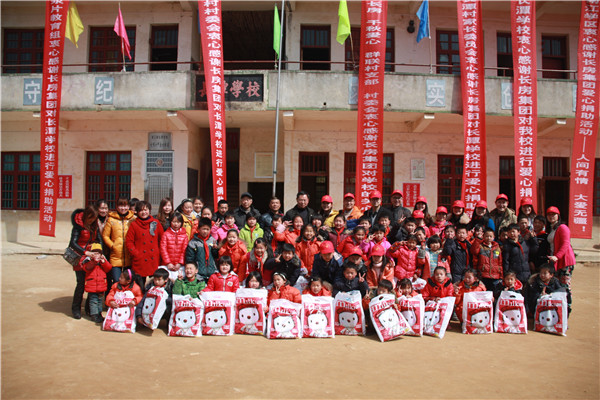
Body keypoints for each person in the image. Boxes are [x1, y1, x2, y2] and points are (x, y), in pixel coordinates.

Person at [69, 205, 101, 319]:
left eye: (94, 218)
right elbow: (72, 243)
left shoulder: (94, 225)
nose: (91, 220)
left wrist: (99, 251)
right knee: (81, 283)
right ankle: (76, 308)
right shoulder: (78, 226)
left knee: (91, 283)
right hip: (80, 258)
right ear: (86, 215)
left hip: (91, 258)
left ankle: (89, 308)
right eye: (90, 217)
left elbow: (98, 239)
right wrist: (85, 252)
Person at [125, 201, 164, 290]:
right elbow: (129, 242)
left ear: (149, 210)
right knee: (140, 287)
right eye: (141, 210)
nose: (144, 212)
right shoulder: (134, 225)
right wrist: (136, 254)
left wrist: (159, 253)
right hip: (140, 260)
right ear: (137, 212)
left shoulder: (155, 223)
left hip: (153, 258)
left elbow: (162, 239)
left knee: (155, 286)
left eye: (145, 210)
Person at [545, 206, 576, 313]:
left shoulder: (563, 227)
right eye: (549, 214)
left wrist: (557, 256)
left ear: (558, 216)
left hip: (564, 261)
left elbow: (565, 244)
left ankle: (567, 308)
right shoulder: (551, 228)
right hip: (556, 262)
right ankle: (560, 308)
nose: (551, 216)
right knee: (557, 285)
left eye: (553, 214)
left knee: (565, 285)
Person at [102, 197, 136, 284]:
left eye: (125, 206)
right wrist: (112, 245)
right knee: (117, 280)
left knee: (128, 281)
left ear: (128, 206)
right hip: (115, 256)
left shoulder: (133, 219)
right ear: (117, 207)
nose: (123, 208)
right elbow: (105, 235)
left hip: (129, 256)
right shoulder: (111, 219)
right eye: (121, 206)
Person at [81, 243, 112, 323]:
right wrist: (94, 261)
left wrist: (103, 262)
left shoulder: (103, 261)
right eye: (95, 253)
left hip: (101, 285)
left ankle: (99, 314)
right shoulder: (88, 260)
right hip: (92, 285)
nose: (97, 255)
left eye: (98, 253)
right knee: (93, 301)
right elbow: (87, 268)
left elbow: (108, 268)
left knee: (99, 300)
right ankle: (94, 315)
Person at [185, 217, 217, 283]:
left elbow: (216, 256)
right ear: (199, 229)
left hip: (212, 273)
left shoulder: (213, 241)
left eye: (207, 229)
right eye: (203, 229)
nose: (205, 231)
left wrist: (215, 249)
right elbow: (190, 259)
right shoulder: (193, 243)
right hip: (198, 274)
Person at [470, 227, 503, 292]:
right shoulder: (480, 246)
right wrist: (478, 239)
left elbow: (500, 262)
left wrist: (501, 276)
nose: (489, 238)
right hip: (483, 275)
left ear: (494, 237)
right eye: (487, 236)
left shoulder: (497, 247)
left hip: (495, 275)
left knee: (494, 293)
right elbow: (474, 251)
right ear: (483, 236)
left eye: (490, 236)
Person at [159, 212, 189, 282]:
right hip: (167, 265)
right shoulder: (166, 234)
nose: (176, 224)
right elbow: (163, 249)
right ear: (170, 222)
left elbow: (184, 250)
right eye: (174, 222)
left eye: (178, 222)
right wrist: (168, 262)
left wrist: (180, 263)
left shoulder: (184, 235)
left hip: (179, 265)